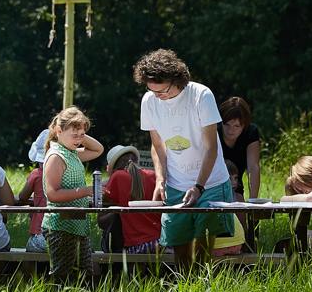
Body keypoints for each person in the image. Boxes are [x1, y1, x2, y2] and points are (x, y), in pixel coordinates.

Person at [134, 49, 235, 269]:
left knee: (202, 250)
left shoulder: (201, 95)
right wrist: (161, 180)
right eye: (152, 91)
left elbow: (211, 148)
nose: (158, 96)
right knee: (178, 246)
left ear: (176, 79)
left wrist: (198, 186)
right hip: (176, 184)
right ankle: (185, 290)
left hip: (210, 183)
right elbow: (158, 145)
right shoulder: (149, 100)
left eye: (163, 91)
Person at [40, 107, 104, 281]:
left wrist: (79, 129)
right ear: (59, 131)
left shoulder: (71, 152)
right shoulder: (56, 156)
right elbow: (52, 194)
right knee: (63, 275)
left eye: (82, 135)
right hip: (60, 225)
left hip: (77, 223)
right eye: (74, 135)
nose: (79, 140)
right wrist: (84, 191)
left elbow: (98, 149)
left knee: (85, 273)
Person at [99, 145, 160, 253]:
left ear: (112, 167)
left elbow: (101, 221)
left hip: (136, 245)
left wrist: (108, 178)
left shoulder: (118, 177)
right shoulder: (153, 176)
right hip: (160, 241)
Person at [218, 96, 262, 201]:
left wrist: (253, 202)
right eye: (227, 124)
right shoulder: (214, 132)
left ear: (244, 125)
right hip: (214, 185)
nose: (230, 130)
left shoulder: (250, 132)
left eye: (236, 126)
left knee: (239, 202)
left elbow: (253, 168)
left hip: (235, 184)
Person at [14, 129, 51, 253]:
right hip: (63, 234)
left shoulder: (36, 174)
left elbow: (22, 197)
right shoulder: (66, 175)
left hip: (41, 235)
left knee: (27, 255)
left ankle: (27, 273)